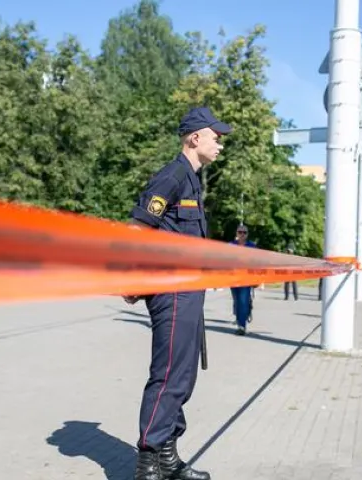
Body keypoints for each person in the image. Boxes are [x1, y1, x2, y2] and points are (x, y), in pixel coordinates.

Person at [123, 106, 231, 480]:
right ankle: (148, 462)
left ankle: (168, 457)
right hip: (169, 290)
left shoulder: (193, 181)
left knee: (183, 377)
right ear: (195, 137)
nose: (220, 144)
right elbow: (138, 229)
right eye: (216, 137)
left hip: (189, 290)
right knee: (168, 374)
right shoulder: (171, 176)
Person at [229, 224, 257, 335]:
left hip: (246, 278)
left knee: (243, 301)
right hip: (233, 278)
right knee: (237, 301)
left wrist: (256, 278)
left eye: (244, 232)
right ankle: (240, 317)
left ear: (247, 234)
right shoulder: (231, 245)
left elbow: (256, 262)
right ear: (236, 233)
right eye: (240, 232)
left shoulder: (251, 246)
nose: (242, 234)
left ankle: (242, 326)